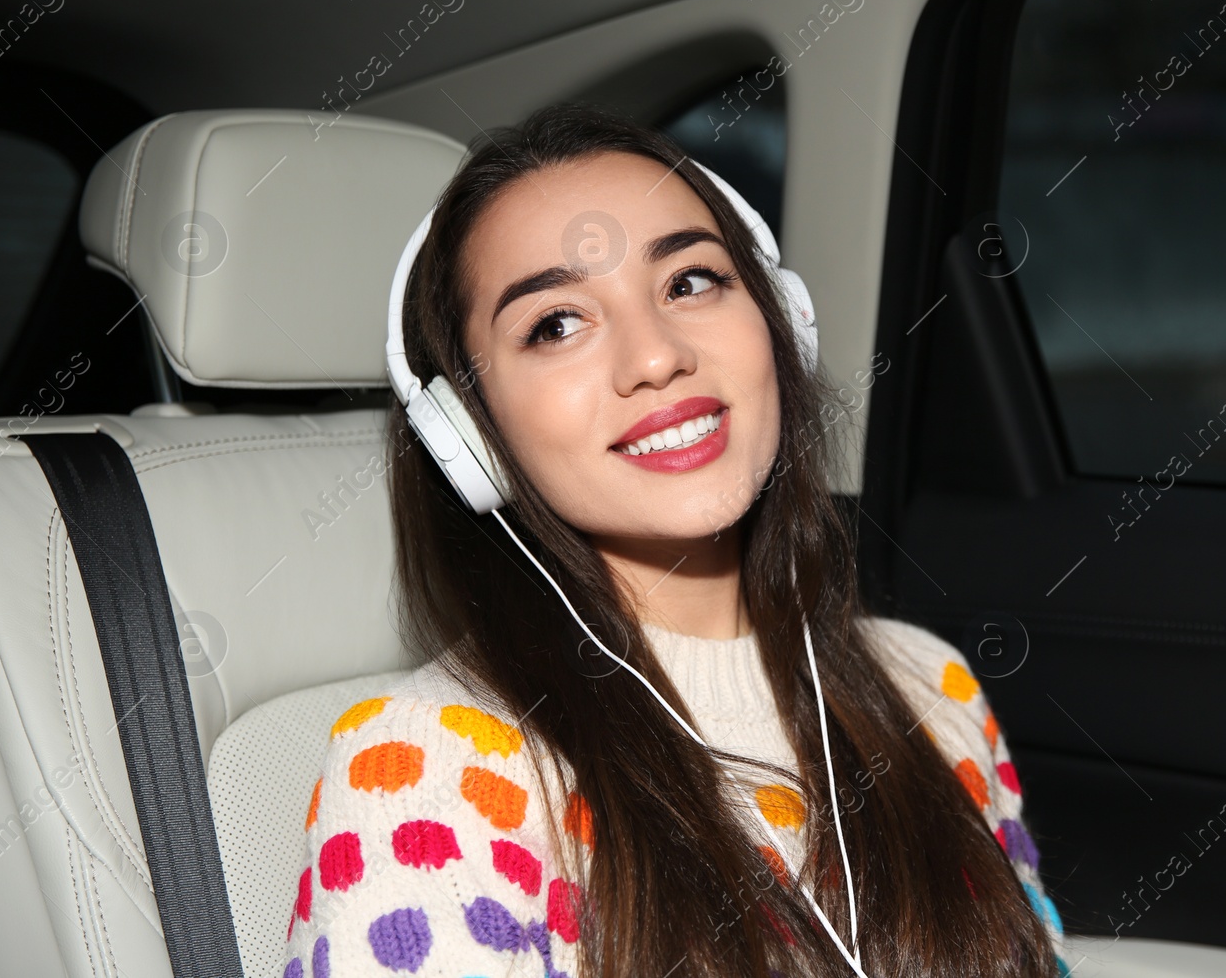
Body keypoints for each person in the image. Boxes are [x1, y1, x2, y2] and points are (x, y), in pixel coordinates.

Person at [280, 101, 1071, 978]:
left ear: (784, 324)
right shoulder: (422, 768)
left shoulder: (928, 686)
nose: (655, 355)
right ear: (469, 437)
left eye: (690, 281)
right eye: (556, 323)